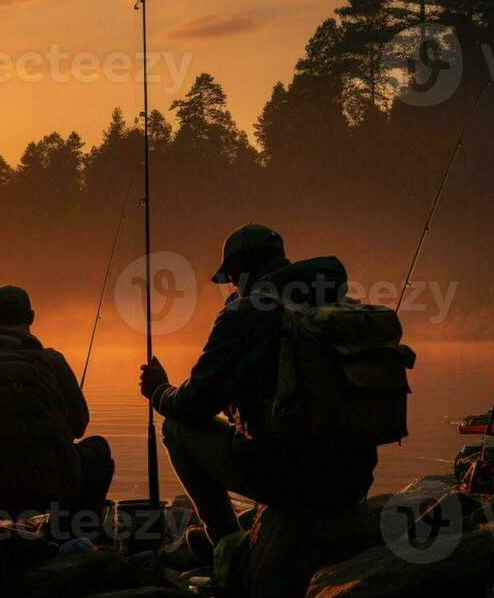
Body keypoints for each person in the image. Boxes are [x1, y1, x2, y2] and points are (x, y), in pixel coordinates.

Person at [139, 224, 389, 564]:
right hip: (354, 477)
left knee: (175, 429)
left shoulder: (245, 315)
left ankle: (229, 548)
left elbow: (194, 404)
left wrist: (159, 392)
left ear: (241, 268)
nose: (232, 287)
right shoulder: (336, 305)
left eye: (230, 277)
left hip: (288, 477)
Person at [0, 285, 114, 530]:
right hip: (47, 489)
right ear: (31, 317)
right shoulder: (52, 361)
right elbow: (78, 427)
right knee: (99, 450)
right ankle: (73, 535)